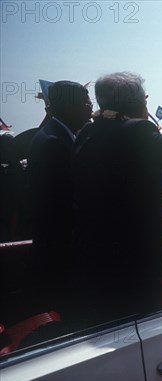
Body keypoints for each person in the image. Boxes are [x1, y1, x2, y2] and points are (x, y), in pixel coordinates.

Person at [70, 59, 162, 326]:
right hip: (135, 259)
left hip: (96, 257)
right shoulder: (135, 130)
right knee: (147, 325)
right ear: (136, 104)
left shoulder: (88, 132)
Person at [26, 81, 92, 309]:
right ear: (68, 107)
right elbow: (67, 206)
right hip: (61, 256)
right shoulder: (54, 143)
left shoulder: (57, 136)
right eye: (85, 102)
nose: (91, 107)